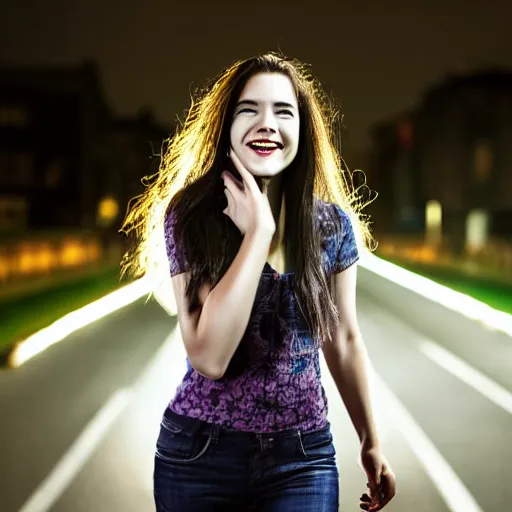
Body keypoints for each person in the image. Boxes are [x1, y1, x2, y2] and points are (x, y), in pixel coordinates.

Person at [121, 52, 396, 511]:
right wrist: (258, 234)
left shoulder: (332, 228)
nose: (266, 123)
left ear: (302, 133)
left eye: (282, 112)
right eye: (249, 110)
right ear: (226, 126)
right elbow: (210, 355)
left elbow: (344, 338)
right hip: (198, 457)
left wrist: (370, 439)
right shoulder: (190, 218)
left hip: (302, 459)